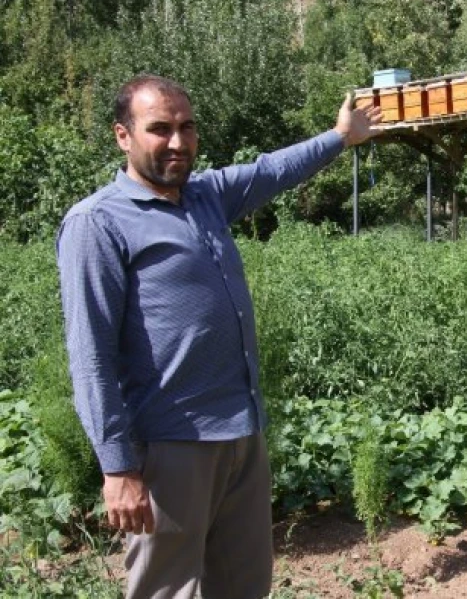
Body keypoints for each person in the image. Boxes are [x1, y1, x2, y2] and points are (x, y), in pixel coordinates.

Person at [56, 74, 381, 599]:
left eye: (187, 127)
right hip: (171, 446)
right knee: (167, 590)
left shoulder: (204, 197)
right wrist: (117, 467)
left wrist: (340, 137)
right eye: (159, 129)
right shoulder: (98, 223)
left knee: (243, 586)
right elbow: (90, 356)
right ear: (123, 136)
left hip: (240, 434)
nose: (178, 142)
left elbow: (271, 170)